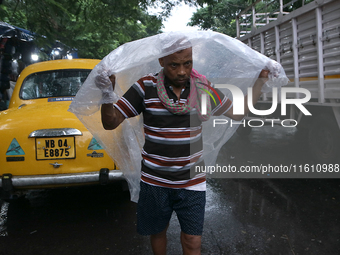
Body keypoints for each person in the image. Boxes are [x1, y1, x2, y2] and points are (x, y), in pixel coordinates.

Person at [95, 41, 269, 255]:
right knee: (158, 233)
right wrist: (106, 94)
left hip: (192, 181)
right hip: (155, 180)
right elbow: (110, 123)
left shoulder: (203, 89)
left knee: (192, 240)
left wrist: (261, 81)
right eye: (174, 65)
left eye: (188, 63)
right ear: (161, 61)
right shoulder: (145, 87)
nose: (182, 71)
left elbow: (238, 112)